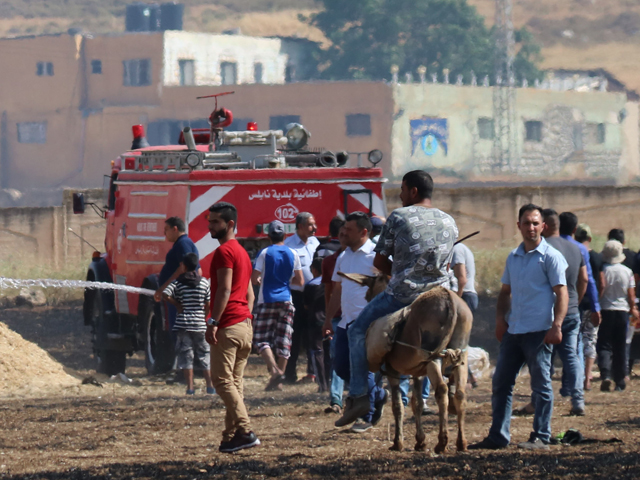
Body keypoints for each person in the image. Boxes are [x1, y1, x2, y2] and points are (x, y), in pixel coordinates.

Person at [335, 170, 458, 427]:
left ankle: (359, 396)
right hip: (442, 295)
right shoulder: (449, 221)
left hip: (404, 294)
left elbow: (379, 261)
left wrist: (403, 273)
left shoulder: (399, 216)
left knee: (356, 330)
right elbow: (446, 266)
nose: (400, 195)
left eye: (402, 190)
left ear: (413, 191)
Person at [469, 204, 568, 451]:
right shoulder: (513, 257)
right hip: (515, 331)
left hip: (539, 331)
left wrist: (557, 325)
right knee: (501, 381)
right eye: (526, 222)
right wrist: (500, 319)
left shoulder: (551, 257)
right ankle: (498, 436)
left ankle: (541, 436)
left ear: (543, 226)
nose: (531, 227)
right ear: (519, 226)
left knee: (541, 384)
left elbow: (562, 292)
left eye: (536, 223)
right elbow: (505, 292)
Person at [325, 211, 388, 433]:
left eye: (348, 230)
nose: (343, 232)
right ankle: (379, 395)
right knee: (342, 368)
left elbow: (390, 285)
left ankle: (367, 415)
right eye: (343, 229)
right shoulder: (344, 256)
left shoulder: (376, 256)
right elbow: (337, 289)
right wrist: (328, 319)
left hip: (369, 324)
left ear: (364, 232)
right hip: (345, 323)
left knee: (363, 368)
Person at [206, 202, 260, 453]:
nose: (210, 226)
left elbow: (225, 289)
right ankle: (230, 438)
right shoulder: (243, 253)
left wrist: (214, 321)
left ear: (229, 224)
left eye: (215, 222)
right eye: (209, 221)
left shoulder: (224, 252)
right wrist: (245, 318)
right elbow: (249, 294)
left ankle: (246, 431)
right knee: (234, 384)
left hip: (228, 325)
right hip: (244, 326)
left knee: (220, 381)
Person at [542, 209, 587, 416]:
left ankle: (541, 400)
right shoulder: (576, 248)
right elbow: (584, 279)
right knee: (571, 356)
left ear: (545, 225)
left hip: (548, 311)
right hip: (571, 310)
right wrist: (575, 299)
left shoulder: (542, 248)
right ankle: (578, 399)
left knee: (544, 356)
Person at [251, 220, 304, 391]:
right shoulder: (293, 253)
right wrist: (287, 281)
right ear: (285, 235)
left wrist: (260, 280)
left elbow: (254, 278)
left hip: (266, 300)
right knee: (284, 340)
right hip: (286, 300)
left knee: (260, 339)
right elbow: (300, 281)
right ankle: (278, 381)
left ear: (269, 236)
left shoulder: (265, 253)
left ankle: (275, 372)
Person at [162, 252, 214, 395]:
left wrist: (177, 304)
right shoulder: (204, 282)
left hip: (183, 324)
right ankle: (210, 386)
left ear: (183, 267)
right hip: (199, 325)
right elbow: (209, 303)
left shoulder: (177, 283)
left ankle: (190, 388)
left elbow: (165, 294)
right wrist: (203, 316)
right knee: (204, 354)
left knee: (186, 355)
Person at [283, 212, 320, 384]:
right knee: (295, 336)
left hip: (315, 296)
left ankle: (313, 373)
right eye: (311, 225)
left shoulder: (315, 243)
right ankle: (290, 374)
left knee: (313, 335)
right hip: (297, 296)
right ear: (300, 227)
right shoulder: (289, 245)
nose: (315, 228)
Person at [598, 240, 638, 392]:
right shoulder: (627, 271)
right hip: (622, 311)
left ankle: (606, 373)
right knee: (620, 346)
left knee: (604, 345)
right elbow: (631, 295)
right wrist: (633, 308)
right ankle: (620, 380)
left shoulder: (603, 270)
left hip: (606, 310)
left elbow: (600, 288)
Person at [154, 217, 200, 329]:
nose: (164, 233)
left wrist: (163, 287)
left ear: (175, 229)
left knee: (178, 332)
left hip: (179, 297)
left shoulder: (183, 244)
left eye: (166, 229)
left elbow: (184, 267)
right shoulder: (182, 243)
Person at [322, 225, 348, 414]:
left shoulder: (367, 258)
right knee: (336, 357)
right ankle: (336, 400)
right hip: (338, 316)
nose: (344, 237)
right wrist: (328, 318)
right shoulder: (331, 261)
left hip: (357, 316)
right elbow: (329, 291)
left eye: (347, 233)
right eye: (341, 234)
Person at [575, 223, 603, 390]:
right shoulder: (598, 257)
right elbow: (601, 282)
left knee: (576, 340)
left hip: (575, 304)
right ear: (590, 238)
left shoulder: (573, 252)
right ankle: (587, 378)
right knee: (590, 340)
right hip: (591, 304)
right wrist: (597, 303)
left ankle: (576, 378)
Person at [450, 241, 479, 390]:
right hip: (466, 297)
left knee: (458, 342)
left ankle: (463, 379)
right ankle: (470, 377)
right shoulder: (461, 248)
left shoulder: (457, 248)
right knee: (460, 342)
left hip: (464, 297)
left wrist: (457, 302)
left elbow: (462, 279)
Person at [304, 257, 329, 392]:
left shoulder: (310, 285)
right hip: (329, 321)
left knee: (317, 353)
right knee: (329, 353)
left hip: (315, 322)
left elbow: (306, 306)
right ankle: (331, 383)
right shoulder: (331, 284)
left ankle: (322, 385)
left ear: (314, 269)